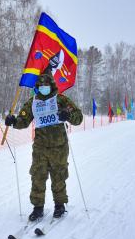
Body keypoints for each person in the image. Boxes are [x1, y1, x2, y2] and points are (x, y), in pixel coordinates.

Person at [5, 71, 83, 221]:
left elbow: (78, 117)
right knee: (37, 176)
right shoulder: (32, 102)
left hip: (59, 146)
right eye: (40, 85)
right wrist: (13, 121)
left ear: (51, 85)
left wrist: (68, 116)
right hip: (40, 147)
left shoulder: (61, 100)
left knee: (58, 176)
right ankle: (37, 207)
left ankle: (59, 205)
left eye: (46, 85)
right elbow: (23, 121)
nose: (43, 87)